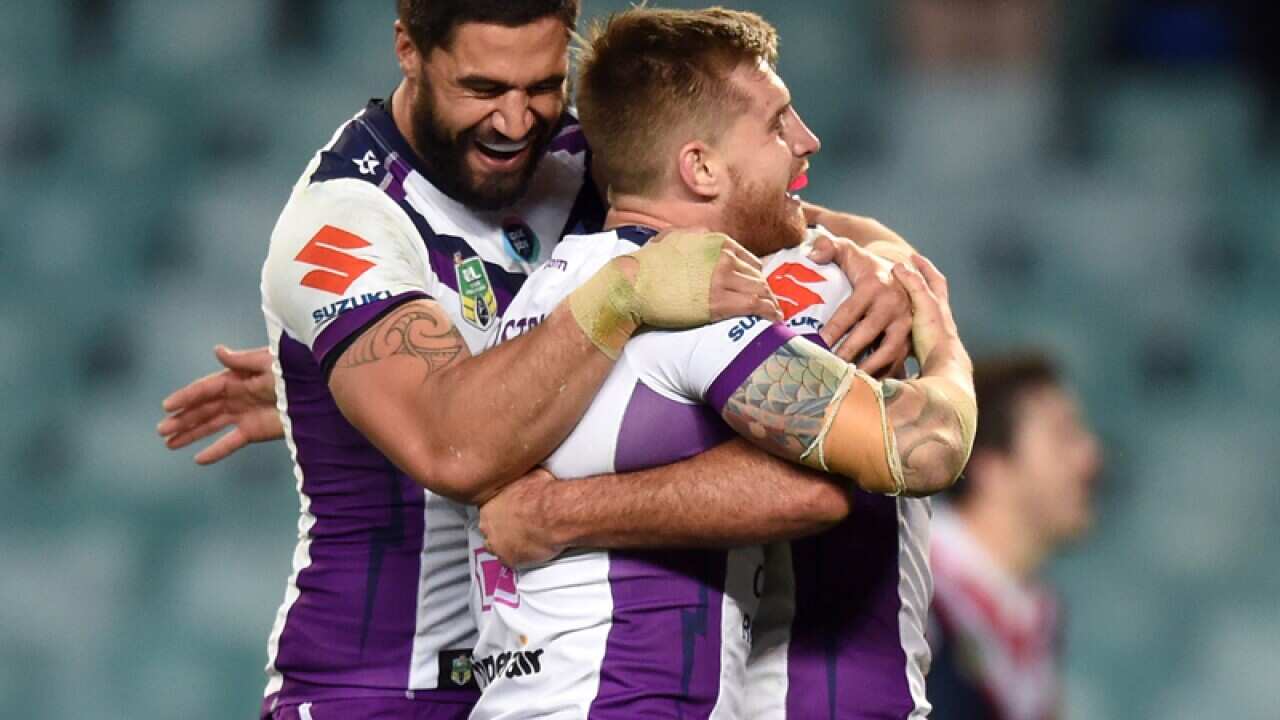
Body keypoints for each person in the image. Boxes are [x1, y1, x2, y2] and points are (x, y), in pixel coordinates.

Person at [156, 2, 922, 718]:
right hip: (380, 687)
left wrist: (884, 269)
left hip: (535, 675)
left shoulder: (571, 158)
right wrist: (623, 294)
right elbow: (454, 449)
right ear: (408, 50)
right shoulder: (344, 223)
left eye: (543, 87)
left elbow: (763, 205)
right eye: (483, 88)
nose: (514, 122)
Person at [462, 8, 976, 718]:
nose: (807, 140)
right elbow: (902, 454)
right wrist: (942, 338)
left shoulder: (533, 302)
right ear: (699, 167)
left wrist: (561, 511)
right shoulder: (697, 298)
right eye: (777, 124)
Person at [927, 352, 1102, 720]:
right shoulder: (905, 587)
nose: (1090, 457)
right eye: (1063, 436)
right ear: (989, 466)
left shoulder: (1036, 627)